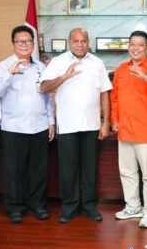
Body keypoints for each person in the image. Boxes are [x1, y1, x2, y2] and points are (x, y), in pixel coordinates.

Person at [40, 28, 111, 223]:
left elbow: (105, 93)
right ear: (69, 42)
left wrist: (106, 123)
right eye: (76, 41)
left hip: (91, 125)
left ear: (88, 43)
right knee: (68, 169)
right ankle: (69, 207)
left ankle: (89, 206)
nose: (80, 44)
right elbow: (43, 87)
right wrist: (64, 76)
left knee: (89, 169)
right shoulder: (58, 62)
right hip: (68, 124)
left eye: (83, 41)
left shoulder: (97, 63)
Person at [0, 25, 55, 224]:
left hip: (39, 125)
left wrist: (51, 121)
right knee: (14, 170)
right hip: (14, 127)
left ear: (33, 44)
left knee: (38, 169)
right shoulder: (4, 65)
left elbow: (47, 96)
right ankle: (15, 207)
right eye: (20, 42)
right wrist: (11, 73)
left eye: (28, 41)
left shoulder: (40, 67)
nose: (24, 45)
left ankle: (37, 205)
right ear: (13, 44)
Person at [111, 30, 147, 228]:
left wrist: (145, 76)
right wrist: (114, 119)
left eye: (140, 45)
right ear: (128, 46)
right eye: (132, 44)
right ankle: (133, 207)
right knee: (127, 172)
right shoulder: (121, 69)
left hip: (146, 130)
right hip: (125, 129)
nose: (135, 48)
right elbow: (115, 98)